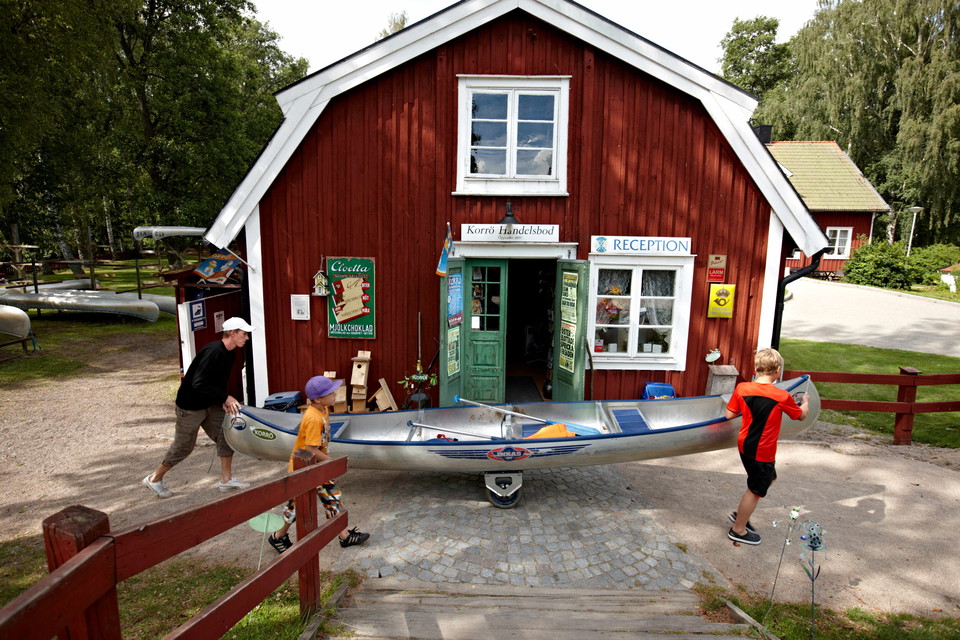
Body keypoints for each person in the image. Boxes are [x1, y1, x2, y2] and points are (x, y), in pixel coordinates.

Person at [142, 317, 254, 498]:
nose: (247, 337)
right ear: (233, 333)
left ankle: (226, 480)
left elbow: (217, 382)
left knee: (226, 436)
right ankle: (154, 478)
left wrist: (222, 401)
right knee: (183, 447)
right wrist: (226, 397)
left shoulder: (230, 353)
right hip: (191, 407)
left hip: (210, 405)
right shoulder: (213, 352)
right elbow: (198, 383)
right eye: (244, 334)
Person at [268, 375, 369, 553]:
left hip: (317, 466)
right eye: (330, 393)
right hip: (304, 468)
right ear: (317, 399)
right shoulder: (313, 418)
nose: (335, 394)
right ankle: (278, 537)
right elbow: (310, 449)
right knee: (296, 506)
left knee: (332, 498)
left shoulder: (323, 409)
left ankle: (344, 536)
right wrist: (332, 462)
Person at [724, 348, 809, 545]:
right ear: (777, 370)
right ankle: (738, 529)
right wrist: (805, 402)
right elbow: (801, 416)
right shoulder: (782, 396)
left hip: (745, 445)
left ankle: (742, 514)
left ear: (756, 368)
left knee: (769, 478)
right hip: (762, 451)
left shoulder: (742, 388)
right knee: (755, 490)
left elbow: (729, 414)